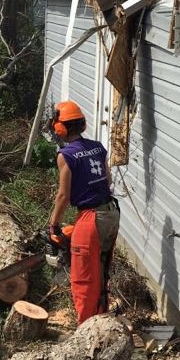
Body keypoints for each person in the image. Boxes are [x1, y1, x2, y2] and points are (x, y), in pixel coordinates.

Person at [48, 100, 120, 324]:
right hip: (111, 212)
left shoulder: (66, 155)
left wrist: (53, 225)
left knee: (84, 277)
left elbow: (63, 196)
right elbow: (107, 179)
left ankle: (86, 329)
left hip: (91, 217)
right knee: (101, 268)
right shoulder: (98, 147)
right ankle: (101, 318)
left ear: (60, 128)